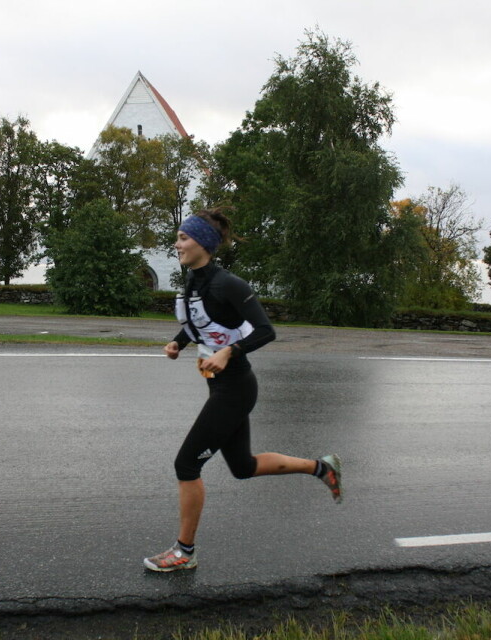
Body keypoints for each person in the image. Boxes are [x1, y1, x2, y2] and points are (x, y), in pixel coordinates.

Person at [143, 208, 342, 573]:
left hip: (235, 388)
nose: (177, 244)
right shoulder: (194, 280)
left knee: (186, 464)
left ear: (203, 242)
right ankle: (321, 467)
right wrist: (177, 343)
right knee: (243, 467)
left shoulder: (229, 284)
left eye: (183, 237)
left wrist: (229, 352)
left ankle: (184, 552)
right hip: (218, 385)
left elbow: (267, 331)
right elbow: (201, 324)